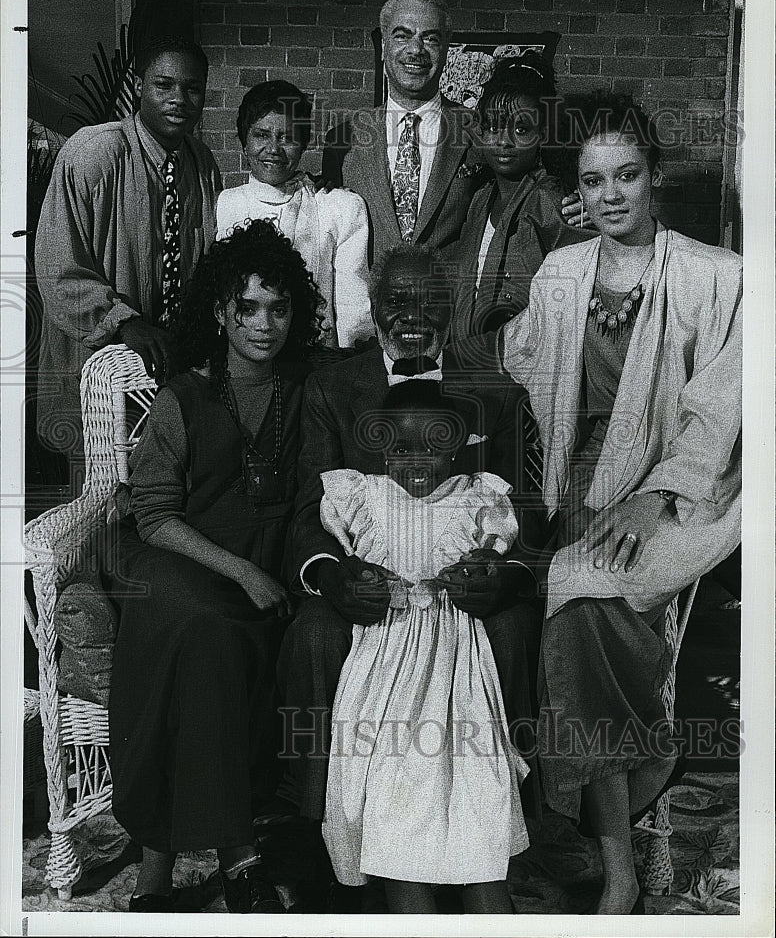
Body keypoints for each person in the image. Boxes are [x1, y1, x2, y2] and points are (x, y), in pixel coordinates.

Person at [500, 91, 742, 914]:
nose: (611, 196)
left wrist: (657, 496)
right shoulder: (563, 270)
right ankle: (607, 856)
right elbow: (521, 357)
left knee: (575, 614)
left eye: (627, 176)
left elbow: (722, 407)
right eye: (594, 180)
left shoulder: (716, 276)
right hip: (574, 491)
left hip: (672, 496)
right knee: (559, 606)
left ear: (656, 177)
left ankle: (610, 862)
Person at [275, 243, 544, 906]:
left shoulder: (495, 386)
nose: (413, 316)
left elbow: (527, 507)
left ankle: (500, 821)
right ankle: (330, 830)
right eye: (397, 301)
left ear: (453, 308)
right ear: (372, 308)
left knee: (509, 628)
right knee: (313, 636)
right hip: (368, 580)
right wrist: (333, 574)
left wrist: (505, 570)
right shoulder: (334, 386)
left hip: (459, 590)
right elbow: (310, 505)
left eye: (430, 302)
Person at [104, 219, 323, 914]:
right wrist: (241, 573)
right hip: (178, 563)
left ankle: (155, 873)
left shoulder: (307, 390)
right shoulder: (182, 397)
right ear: (221, 313)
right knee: (205, 630)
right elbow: (154, 517)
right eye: (248, 308)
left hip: (261, 573)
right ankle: (240, 858)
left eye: (279, 308)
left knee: (215, 644)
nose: (264, 324)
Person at [321, 380, 530, 913]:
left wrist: (486, 568)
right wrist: (358, 575)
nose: (416, 459)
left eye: (433, 445)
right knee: (389, 786)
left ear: (457, 444)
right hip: (385, 666)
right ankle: (410, 904)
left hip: (457, 662)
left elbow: (507, 557)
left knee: (472, 782)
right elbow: (335, 559)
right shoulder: (361, 497)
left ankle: (484, 893)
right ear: (380, 446)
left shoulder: (478, 498)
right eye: (399, 446)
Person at [35, 36, 221, 457]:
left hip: (166, 372)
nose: (179, 99)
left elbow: (211, 257)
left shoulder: (202, 163)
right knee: (96, 502)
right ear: (138, 86)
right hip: (96, 367)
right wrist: (123, 322)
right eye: (164, 85)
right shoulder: (93, 153)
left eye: (192, 89)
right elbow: (56, 264)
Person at [322, 0, 484, 262]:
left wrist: (572, 209)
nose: (416, 49)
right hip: (367, 303)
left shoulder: (479, 131)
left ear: (446, 49)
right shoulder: (343, 138)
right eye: (402, 35)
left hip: (450, 301)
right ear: (384, 47)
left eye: (430, 39)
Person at [448, 52, 594, 345]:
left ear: (542, 133)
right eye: (494, 126)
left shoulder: (551, 201)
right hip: (468, 362)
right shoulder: (480, 199)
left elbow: (575, 300)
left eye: (521, 129)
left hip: (524, 368)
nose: (504, 140)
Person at [216, 80, 373, 349]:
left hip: (317, 363)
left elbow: (354, 310)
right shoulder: (227, 204)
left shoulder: (340, 206)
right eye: (261, 135)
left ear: (303, 143)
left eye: (286, 137)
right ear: (244, 142)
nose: (273, 149)